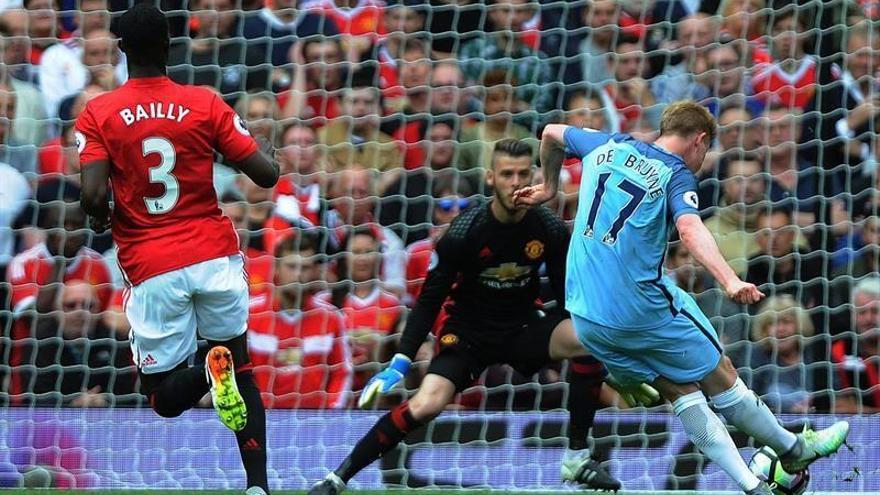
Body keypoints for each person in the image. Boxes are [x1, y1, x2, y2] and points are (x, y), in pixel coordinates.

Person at [516, 101, 850, 495]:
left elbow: (552, 131)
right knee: (720, 372)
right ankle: (793, 448)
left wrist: (550, 187)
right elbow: (690, 230)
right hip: (640, 308)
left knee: (680, 391)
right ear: (700, 140)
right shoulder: (673, 174)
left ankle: (751, 486)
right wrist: (728, 279)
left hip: (585, 317)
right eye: (706, 151)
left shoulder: (606, 145)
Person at [308, 139, 661, 494]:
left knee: (586, 339)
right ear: (491, 178)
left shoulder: (548, 228)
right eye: (507, 174)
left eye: (523, 173)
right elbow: (429, 300)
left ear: (535, 176)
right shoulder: (464, 232)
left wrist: (612, 361)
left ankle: (576, 457)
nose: (516, 181)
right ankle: (337, 478)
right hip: (468, 333)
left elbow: (570, 299)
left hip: (521, 326)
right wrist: (400, 361)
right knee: (427, 403)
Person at [75, 5, 278, 495]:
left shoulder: (99, 112)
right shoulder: (204, 102)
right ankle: (258, 487)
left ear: (122, 49)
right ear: (170, 46)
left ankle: (209, 374)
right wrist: (264, 147)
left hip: (153, 265)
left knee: (163, 399)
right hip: (214, 255)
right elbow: (266, 176)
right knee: (241, 366)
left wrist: (102, 215)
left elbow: (92, 196)